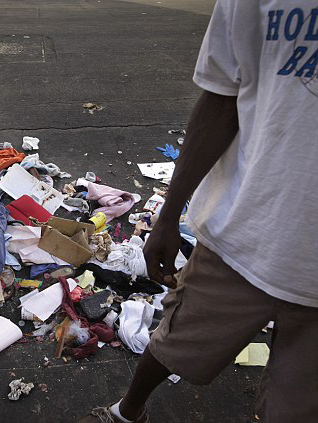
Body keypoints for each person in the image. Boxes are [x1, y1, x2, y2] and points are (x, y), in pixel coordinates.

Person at [77, 1, 317, 422]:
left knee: (295, 408)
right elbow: (219, 101)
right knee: (173, 342)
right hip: (245, 236)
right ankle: (127, 412)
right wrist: (168, 217)